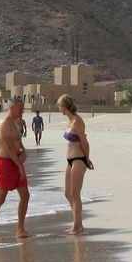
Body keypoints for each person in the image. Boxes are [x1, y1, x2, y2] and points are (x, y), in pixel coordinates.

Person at [0, 95, 31, 242]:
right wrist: (20, 166)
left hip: (16, 161)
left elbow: (18, 143)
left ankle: (20, 229)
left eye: (22, 108)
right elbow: (8, 146)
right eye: (20, 108)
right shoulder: (4, 123)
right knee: (1, 197)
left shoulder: (16, 124)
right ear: (11, 108)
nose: (22, 111)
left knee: (25, 194)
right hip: (5, 162)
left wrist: (23, 152)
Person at [59, 94, 91, 235]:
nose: (59, 109)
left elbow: (84, 142)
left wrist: (87, 159)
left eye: (60, 106)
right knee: (68, 193)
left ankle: (77, 226)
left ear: (64, 107)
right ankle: (77, 222)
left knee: (75, 194)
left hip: (79, 159)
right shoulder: (70, 120)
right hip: (70, 160)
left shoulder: (77, 121)